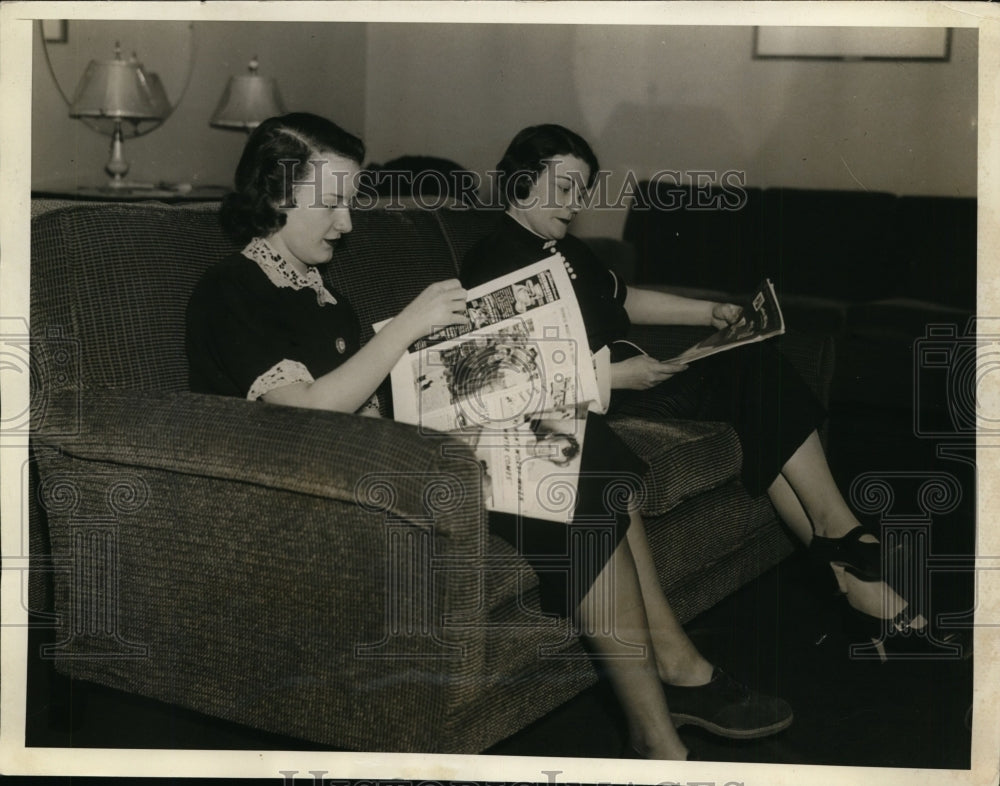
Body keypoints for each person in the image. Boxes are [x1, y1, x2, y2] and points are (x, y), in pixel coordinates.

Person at [186, 113, 793, 761]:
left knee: (575, 446)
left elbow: (370, 389)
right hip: (329, 492)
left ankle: (656, 720)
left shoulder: (315, 287)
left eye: (351, 201)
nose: (348, 222)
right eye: (331, 202)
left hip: (392, 453)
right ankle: (658, 732)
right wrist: (408, 327)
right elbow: (302, 410)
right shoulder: (234, 287)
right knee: (571, 473)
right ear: (277, 195)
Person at [461, 123, 935, 661]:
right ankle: (844, 552)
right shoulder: (497, 257)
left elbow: (624, 299)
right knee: (752, 387)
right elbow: (511, 367)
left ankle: (840, 546)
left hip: (635, 381)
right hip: (592, 404)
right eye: (564, 188)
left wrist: (705, 312)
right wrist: (617, 377)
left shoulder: (564, 247)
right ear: (522, 180)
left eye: (583, 192)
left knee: (752, 364)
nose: (575, 205)